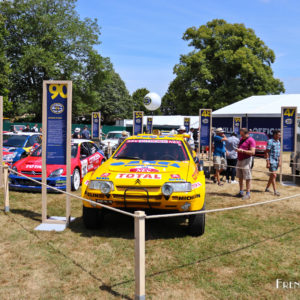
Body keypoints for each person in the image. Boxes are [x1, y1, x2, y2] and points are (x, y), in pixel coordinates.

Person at [235, 128, 256, 200]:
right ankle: (241, 192)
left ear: (246, 133)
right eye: (241, 135)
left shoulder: (251, 140)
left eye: (242, 134)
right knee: (240, 176)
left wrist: (242, 151)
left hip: (246, 160)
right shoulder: (241, 139)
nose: (241, 136)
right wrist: (238, 149)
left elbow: (253, 152)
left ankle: (248, 193)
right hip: (239, 160)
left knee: (247, 177)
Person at [265, 130, 281, 196]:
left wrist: (279, 161)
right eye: (279, 135)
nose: (280, 136)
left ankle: (267, 188)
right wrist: (268, 162)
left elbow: (279, 152)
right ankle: (275, 191)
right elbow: (266, 152)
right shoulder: (270, 141)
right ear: (275, 135)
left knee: (272, 176)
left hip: (276, 161)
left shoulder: (278, 142)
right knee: (274, 175)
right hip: (271, 161)